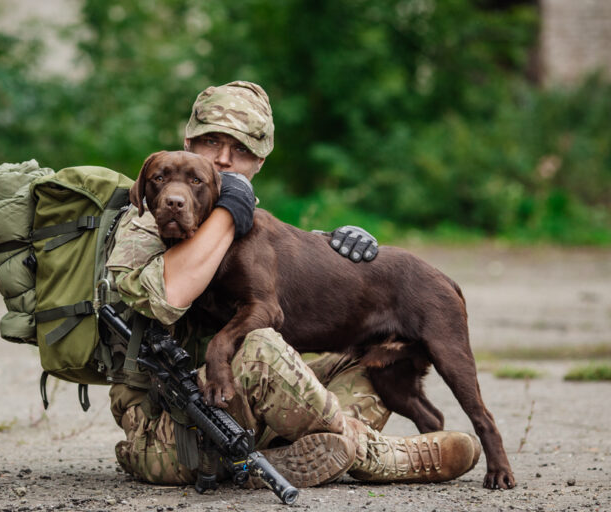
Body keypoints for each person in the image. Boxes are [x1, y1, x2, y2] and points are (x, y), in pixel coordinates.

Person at [105, 81, 481, 488]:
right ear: (189, 141)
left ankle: (280, 459)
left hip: (237, 409)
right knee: (262, 345)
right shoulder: (147, 216)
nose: (225, 160)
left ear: (260, 162)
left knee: (365, 354)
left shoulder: (232, 211)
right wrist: (231, 211)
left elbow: (277, 267)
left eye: (243, 149)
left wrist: (331, 247)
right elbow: (170, 295)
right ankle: (372, 454)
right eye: (212, 142)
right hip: (173, 433)